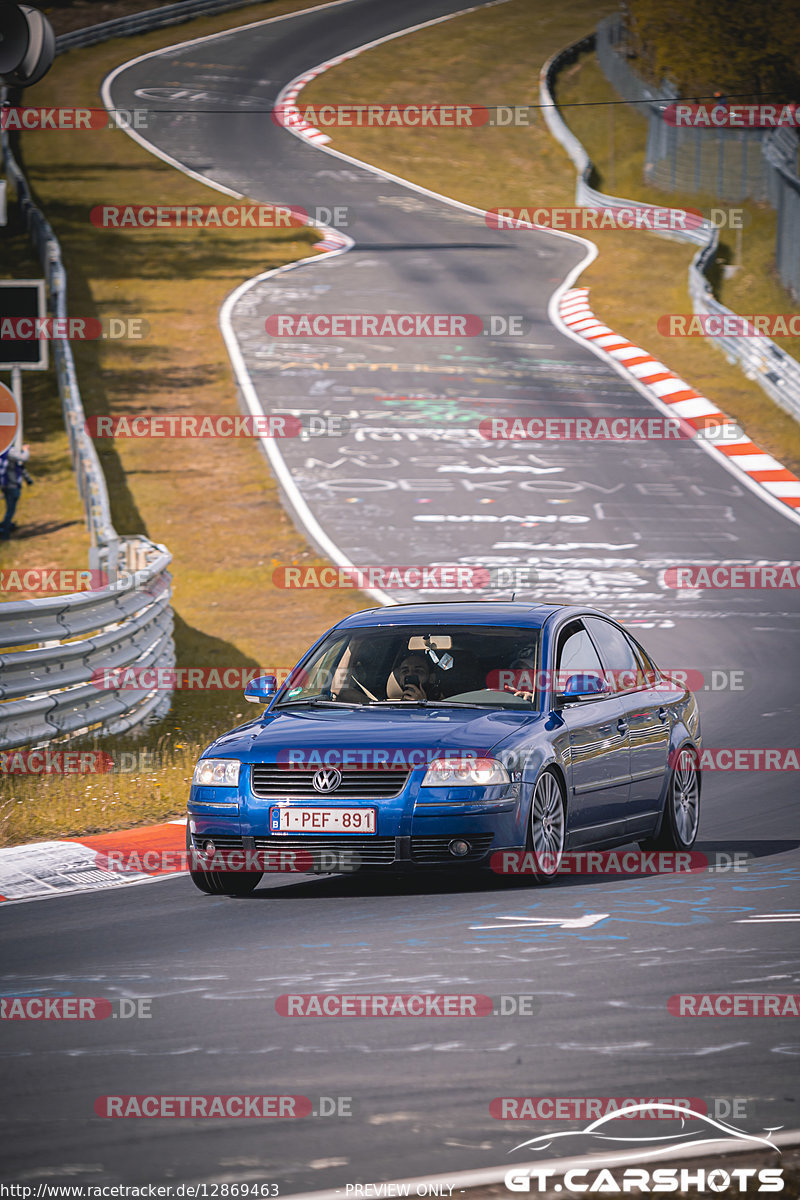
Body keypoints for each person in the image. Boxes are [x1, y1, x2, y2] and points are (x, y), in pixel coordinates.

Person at [0, 444, 34, 539]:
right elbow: (24, 458)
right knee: (11, 510)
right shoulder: (9, 451)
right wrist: (25, 450)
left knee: (9, 509)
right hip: (12, 485)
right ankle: (4, 531)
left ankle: (5, 526)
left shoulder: (2, 451)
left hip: (5, 484)